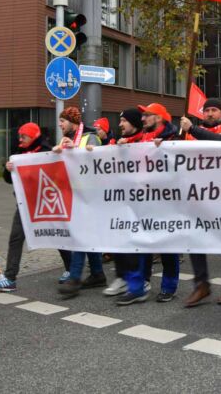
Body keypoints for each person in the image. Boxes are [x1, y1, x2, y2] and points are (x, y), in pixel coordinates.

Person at [179, 98, 221, 307]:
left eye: (213, 110)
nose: (209, 114)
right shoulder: (193, 131)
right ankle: (201, 284)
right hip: (200, 194)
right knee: (195, 237)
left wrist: (192, 129)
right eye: (206, 110)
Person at [115, 104, 181, 305]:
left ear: (159, 118)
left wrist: (166, 150)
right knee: (138, 243)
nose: (142, 119)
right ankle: (138, 286)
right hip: (141, 200)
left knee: (167, 246)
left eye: (147, 115)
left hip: (165, 201)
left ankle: (169, 286)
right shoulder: (143, 138)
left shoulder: (173, 139)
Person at [0, 123, 66, 293]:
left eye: (23, 136)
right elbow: (9, 179)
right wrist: (7, 169)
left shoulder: (47, 150)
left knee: (57, 234)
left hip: (45, 202)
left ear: (32, 136)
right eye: (20, 136)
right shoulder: (19, 153)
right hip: (25, 204)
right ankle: (10, 278)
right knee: (16, 238)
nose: (20, 139)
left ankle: (70, 269)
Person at [54, 107, 105, 297]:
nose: (60, 124)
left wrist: (73, 149)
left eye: (63, 121)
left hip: (91, 195)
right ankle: (98, 274)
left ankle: (74, 277)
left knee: (80, 236)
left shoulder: (90, 137)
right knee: (87, 235)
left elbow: (98, 162)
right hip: (76, 194)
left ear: (73, 123)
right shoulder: (66, 139)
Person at [100, 109, 144, 297]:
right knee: (118, 239)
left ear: (134, 123)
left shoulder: (145, 143)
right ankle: (122, 277)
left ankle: (138, 281)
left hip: (141, 202)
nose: (120, 125)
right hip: (120, 200)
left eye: (124, 121)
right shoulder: (117, 144)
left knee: (136, 243)